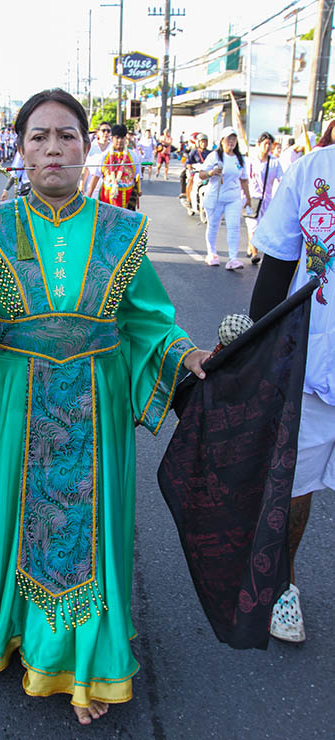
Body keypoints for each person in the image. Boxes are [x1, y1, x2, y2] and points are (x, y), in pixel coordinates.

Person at [0, 88, 209, 725]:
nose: (53, 149)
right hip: (10, 404)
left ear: (87, 149)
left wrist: (186, 355)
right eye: (38, 138)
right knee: (11, 512)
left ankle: (79, 660)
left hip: (96, 403)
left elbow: (146, 325)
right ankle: (10, 626)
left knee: (86, 532)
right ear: (19, 152)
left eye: (67, 137)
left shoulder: (124, 231)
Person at [249, 139, 335, 643]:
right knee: (294, 483)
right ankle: (284, 583)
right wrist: (257, 351)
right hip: (314, 363)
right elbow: (279, 262)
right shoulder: (312, 170)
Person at [199, 126, 252, 269]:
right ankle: (212, 253)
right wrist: (211, 173)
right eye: (229, 138)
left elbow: (244, 180)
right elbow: (201, 174)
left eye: (234, 139)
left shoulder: (240, 159)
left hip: (233, 198)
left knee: (234, 227)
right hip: (216, 197)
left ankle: (233, 258)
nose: (232, 141)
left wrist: (248, 198)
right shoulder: (214, 156)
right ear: (222, 140)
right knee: (213, 226)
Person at [244, 132, 283, 264]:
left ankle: (251, 246)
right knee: (253, 226)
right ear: (259, 145)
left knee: (264, 228)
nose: (268, 146)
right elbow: (244, 180)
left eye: (270, 144)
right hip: (252, 198)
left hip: (267, 200)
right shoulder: (251, 161)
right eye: (265, 143)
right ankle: (255, 253)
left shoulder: (275, 162)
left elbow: (281, 179)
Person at [87, 123, 142, 210]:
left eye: (122, 138)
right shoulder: (105, 156)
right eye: (117, 137)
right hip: (107, 198)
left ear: (125, 138)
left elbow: (137, 177)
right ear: (112, 138)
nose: (120, 140)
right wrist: (89, 196)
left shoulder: (133, 156)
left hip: (127, 198)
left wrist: (138, 192)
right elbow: (96, 176)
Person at [80, 121, 111, 194]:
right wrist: (81, 186)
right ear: (98, 132)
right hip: (92, 189)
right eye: (103, 130)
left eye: (108, 131)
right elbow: (86, 168)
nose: (106, 133)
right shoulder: (91, 147)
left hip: (108, 188)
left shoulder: (113, 148)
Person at [183, 133, 211, 206]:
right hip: (196, 172)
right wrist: (189, 167)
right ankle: (188, 200)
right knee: (191, 180)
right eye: (202, 142)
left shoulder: (210, 153)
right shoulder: (194, 152)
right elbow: (188, 162)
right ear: (198, 142)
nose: (204, 143)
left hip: (206, 172)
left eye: (205, 142)